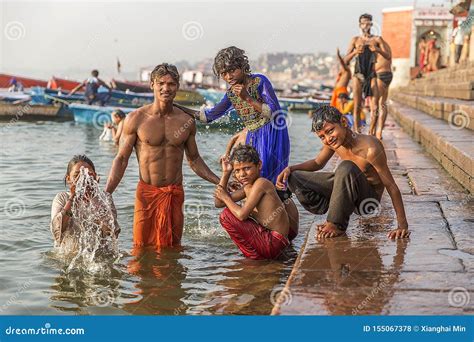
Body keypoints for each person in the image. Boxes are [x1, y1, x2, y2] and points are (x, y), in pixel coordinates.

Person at [105, 63, 220, 248]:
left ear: (177, 86)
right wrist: (107, 193)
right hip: (147, 194)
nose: (166, 88)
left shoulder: (186, 121)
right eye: (161, 83)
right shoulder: (136, 119)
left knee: (173, 248)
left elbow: (194, 159)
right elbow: (121, 159)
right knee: (141, 247)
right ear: (152, 85)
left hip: (174, 193)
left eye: (171, 84)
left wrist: (219, 181)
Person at [276, 106, 410, 240]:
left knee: (346, 167)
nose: (328, 139)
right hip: (347, 193)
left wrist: (402, 225)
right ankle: (333, 210)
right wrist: (291, 168)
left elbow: (391, 186)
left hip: (367, 202)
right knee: (294, 177)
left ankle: (335, 224)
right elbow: (317, 163)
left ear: (344, 122)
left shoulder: (371, 148)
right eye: (322, 137)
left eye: (330, 131)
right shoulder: (333, 143)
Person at [180, 46, 291, 201]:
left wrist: (247, 98)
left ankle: (276, 213)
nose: (228, 76)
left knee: (266, 179)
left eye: (232, 70)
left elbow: (273, 112)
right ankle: (257, 214)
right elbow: (209, 116)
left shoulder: (259, 81)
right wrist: (177, 107)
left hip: (272, 133)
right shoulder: (231, 93)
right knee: (252, 179)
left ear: (243, 66)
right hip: (254, 135)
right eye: (224, 73)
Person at [214, 145, 298, 260]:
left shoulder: (261, 183)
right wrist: (226, 173)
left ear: (259, 165)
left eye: (247, 168)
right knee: (228, 209)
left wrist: (226, 198)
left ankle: (255, 257)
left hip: (274, 243)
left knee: (226, 216)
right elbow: (218, 203)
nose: (242, 174)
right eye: (237, 171)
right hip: (277, 242)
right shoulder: (247, 187)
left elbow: (242, 215)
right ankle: (259, 253)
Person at [50, 155, 119, 252]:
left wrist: (94, 197)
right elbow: (57, 232)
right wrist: (73, 197)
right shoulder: (62, 198)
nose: (82, 180)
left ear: (95, 177)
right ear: (68, 179)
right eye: (76, 176)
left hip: (99, 256)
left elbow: (112, 232)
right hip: (69, 256)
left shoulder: (104, 198)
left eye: (87, 175)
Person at [344, 13, 390, 134]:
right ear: (360, 25)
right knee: (357, 106)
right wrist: (355, 53)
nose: (366, 25)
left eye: (368, 23)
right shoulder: (355, 40)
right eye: (363, 23)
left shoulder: (377, 39)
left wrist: (377, 49)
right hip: (358, 75)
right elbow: (345, 60)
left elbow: (388, 56)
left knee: (375, 107)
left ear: (371, 24)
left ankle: (371, 133)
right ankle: (357, 133)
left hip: (372, 75)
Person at [374, 36, 393, 140]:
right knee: (383, 103)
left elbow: (387, 57)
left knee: (376, 104)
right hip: (388, 74)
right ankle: (379, 131)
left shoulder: (381, 47)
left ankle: (374, 131)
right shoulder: (386, 46)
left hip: (380, 75)